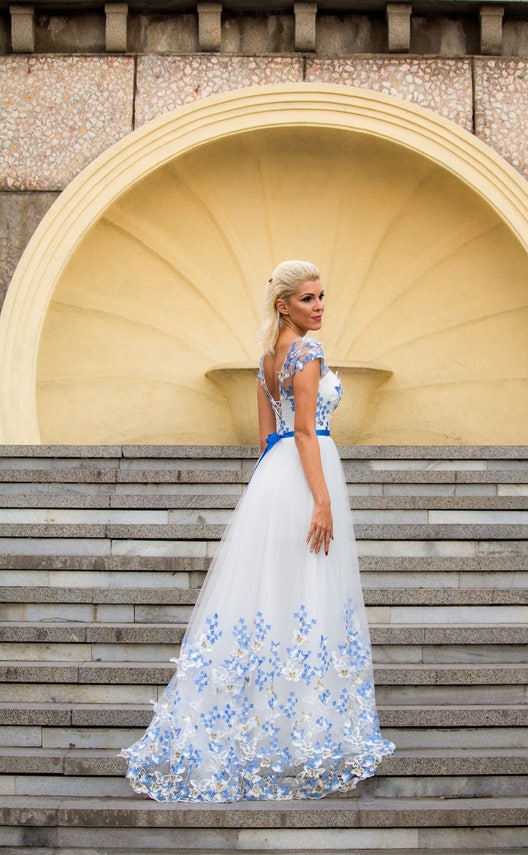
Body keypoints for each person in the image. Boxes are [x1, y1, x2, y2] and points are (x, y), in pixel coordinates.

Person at [120, 260, 395, 802]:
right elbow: (305, 432)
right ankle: (303, 732)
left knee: (271, 596)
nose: (319, 307)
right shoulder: (308, 354)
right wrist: (320, 500)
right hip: (307, 475)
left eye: (321, 297)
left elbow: (267, 439)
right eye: (309, 299)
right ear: (283, 304)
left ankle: (267, 723)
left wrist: (272, 495)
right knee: (306, 593)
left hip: (275, 477)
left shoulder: (268, 359)